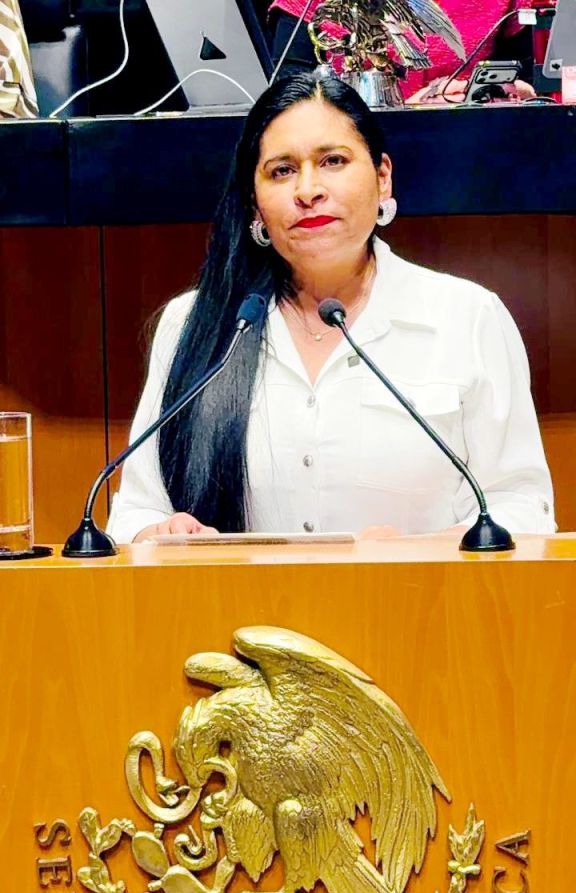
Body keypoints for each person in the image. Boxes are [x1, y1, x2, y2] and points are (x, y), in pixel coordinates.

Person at [107, 71, 554, 543]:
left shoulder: (466, 316)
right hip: (233, 594)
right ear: (255, 204)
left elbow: (523, 506)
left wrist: (422, 549)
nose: (308, 190)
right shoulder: (195, 323)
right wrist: (162, 532)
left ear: (382, 178)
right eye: (282, 170)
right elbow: (135, 510)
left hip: (416, 591)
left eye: (333, 161)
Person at [267, 0, 534, 101]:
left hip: (472, 153)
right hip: (348, 163)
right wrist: (411, 110)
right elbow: (289, 106)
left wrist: (511, 95)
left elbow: (525, 79)